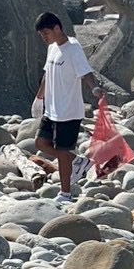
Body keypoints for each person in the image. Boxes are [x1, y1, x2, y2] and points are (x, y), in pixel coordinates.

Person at [31, 12, 107, 202]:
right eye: (41, 35)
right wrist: (39, 98)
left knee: (62, 152)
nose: (44, 38)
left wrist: (94, 88)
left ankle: (65, 194)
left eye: (46, 33)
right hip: (52, 109)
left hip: (68, 111)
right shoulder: (52, 47)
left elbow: (86, 72)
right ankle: (79, 162)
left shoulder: (73, 49)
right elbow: (47, 74)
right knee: (40, 143)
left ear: (57, 28)